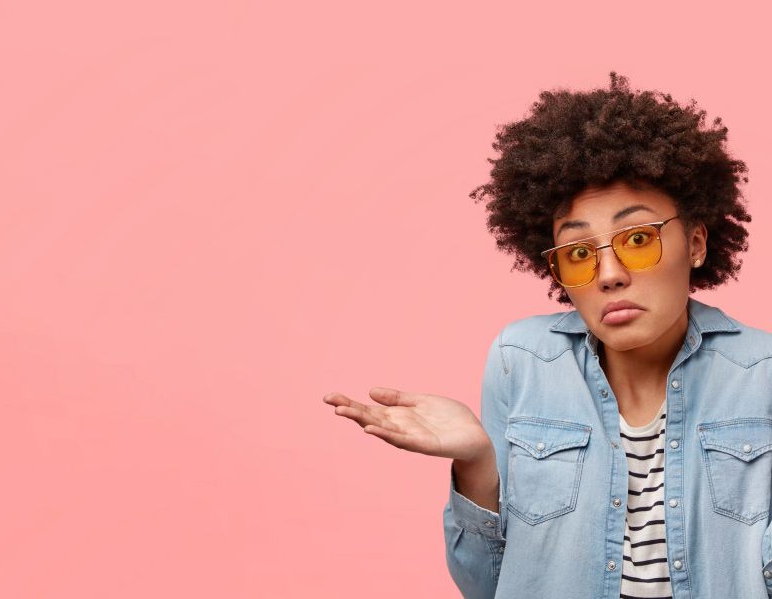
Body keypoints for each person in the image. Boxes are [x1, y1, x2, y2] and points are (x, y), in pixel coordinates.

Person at [322, 72, 772, 599]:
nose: (608, 275)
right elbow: (487, 584)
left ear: (695, 244)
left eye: (637, 239)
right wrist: (476, 464)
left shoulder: (761, 371)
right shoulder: (522, 360)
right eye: (579, 253)